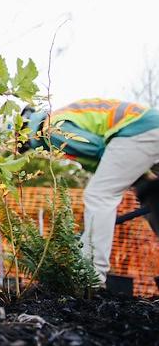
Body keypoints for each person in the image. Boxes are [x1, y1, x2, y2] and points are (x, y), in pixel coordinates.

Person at [19, 99, 159, 283]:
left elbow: (97, 148)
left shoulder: (49, 128)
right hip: (147, 129)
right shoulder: (62, 116)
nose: (31, 149)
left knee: (99, 196)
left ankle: (90, 275)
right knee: (152, 196)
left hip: (137, 131)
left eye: (26, 145)